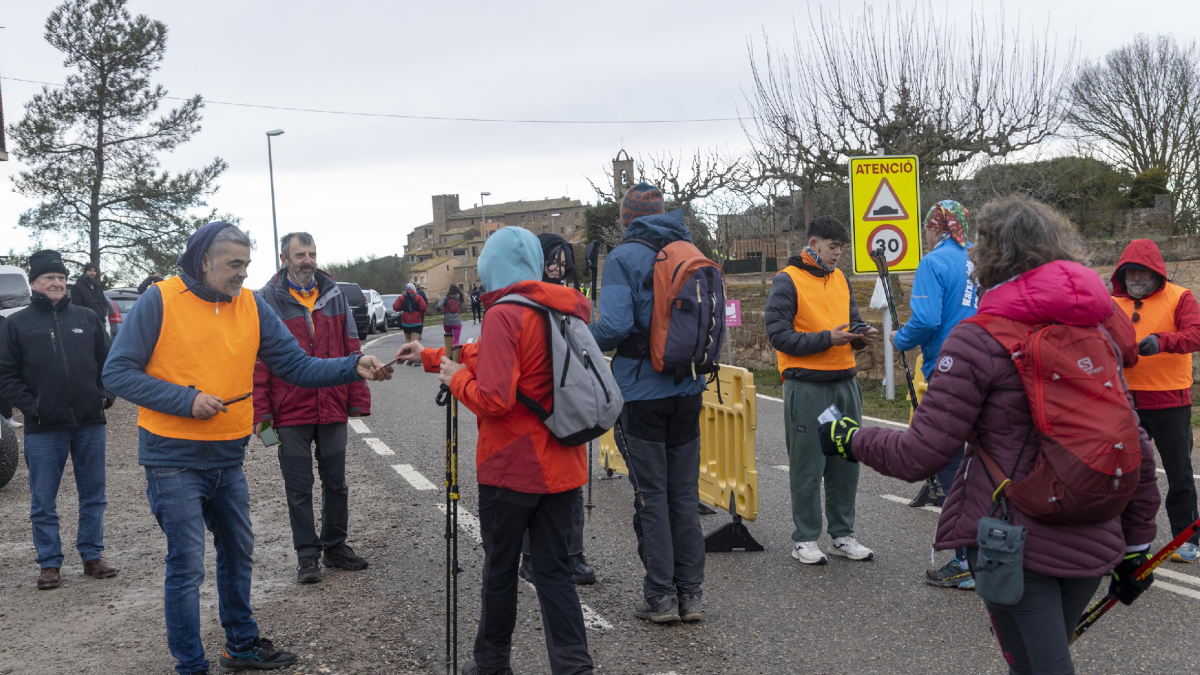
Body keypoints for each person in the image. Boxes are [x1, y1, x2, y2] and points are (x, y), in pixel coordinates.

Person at [823, 196, 1160, 675]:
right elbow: (1133, 440)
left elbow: (920, 454)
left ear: (991, 256)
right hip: (1096, 534)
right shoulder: (1097, 332)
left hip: (1015, 540)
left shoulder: (978, 339)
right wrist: (1136, 545)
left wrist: (848, 438)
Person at [103, 222, 393, 675]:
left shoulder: (251, 304)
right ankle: (190, 665)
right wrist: (186, 399)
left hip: (227, 457)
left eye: (246, 265)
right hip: (172, 458)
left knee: (238, 552)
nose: (242, 274)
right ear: (205, 262)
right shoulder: (160, 299)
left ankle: (240, 646)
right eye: (234, 265)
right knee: (187, 565)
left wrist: (353, 366)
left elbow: (295, 364)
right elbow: (117, 373)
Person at [394, 226, 594, 675]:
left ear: (492, 265)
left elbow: (495, 398)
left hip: (512, 468)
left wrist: (454, 378)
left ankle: (492, 663)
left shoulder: (506, 312)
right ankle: (574, 667)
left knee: (501, 570)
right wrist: (430, 357)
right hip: (563, 463)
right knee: (554, 572)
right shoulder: (559, 306)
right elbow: (494, 358)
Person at [590, 182, 707, 623]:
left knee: (651, 497)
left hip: (641, 393)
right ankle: (690, 595)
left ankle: (660, 598)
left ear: (627, 218)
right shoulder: (686, 248)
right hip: (688, 389)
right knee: (683, 494)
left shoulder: (623, 257)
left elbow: (616, 326)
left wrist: (584, 331)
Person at [254, 232, 372, 584]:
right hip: (288, 413)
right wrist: (262, 423)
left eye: (312, 254)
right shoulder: (265, 301)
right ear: (284, 258)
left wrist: (358, 401)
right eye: (300, 254)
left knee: (336, 482)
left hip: (332, 405)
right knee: (298, 485)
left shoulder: (335, 296)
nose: (308, 260)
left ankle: (335, 547)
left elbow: (353, 349)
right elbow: (257, 364)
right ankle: (307, 556)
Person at [0, 249, 117, 591]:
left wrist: (105, 395)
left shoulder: (86, 317)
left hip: (89, 423)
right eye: (49, 277)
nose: (57, 283)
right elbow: (5, 374)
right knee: (43, 499)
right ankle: (49, 563)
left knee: (93, 494)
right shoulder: (16, 323)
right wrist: (31, 406)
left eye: (61, 278)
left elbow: (110, 363)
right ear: (34, 283)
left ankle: (92, 555)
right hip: (43, 426)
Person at [764, 216, 879, 565]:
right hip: (807, 387)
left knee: (847, 463)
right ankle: (805, 539)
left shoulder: (841, 279)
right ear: (813, 244)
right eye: (833, 247)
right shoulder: (787, 281)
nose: (838, 254)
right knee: (808, 465)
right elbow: (779, 336)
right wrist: (829, 338)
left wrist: (861, 335)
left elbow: (851, 322)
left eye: (842, 248)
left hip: (845, 384)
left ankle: (842, 536)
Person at [890, 200, 978, 588]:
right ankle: (991, 552)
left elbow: (925, 320)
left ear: (934, 228)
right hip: (987, 366)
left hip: (949, 370)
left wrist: (900, 339)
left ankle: (964, 559)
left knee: (949, 463)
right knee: (982, 462)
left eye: (927, 226)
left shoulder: (933, 263)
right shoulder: (976, 260)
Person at [1111, 238, 1200, 563]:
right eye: (1130, 273)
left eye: (1143, 273)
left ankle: (1187, 539)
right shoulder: (1110, 303)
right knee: (1124, 473)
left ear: (1157, 274)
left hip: (1170, 401)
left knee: (1178, 473)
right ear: (1122, 274)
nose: (1136, 279)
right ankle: (1126, 541)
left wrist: (1162, 342)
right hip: (1123, 400)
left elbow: (1196, 333)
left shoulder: (1180, 296)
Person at [516, 233, 595, 586]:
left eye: (564, 262)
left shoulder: (571, 298)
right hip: (533, 404)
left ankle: (572, 553)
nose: (559, 268)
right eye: (553, 260)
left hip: (569, 398)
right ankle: (532, 556)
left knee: (571, 482)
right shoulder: (521, 299)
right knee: (534, 485)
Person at [394, 283, 428, 362]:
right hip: (417, 321)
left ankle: (409, 358)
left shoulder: (401, 298)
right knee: (416, 341)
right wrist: (420, 313)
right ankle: (416, 360)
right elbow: (424, 307)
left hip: (406, 322)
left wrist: (403, 309)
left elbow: (395, 307)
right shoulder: (418, 297)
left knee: (408, 340)